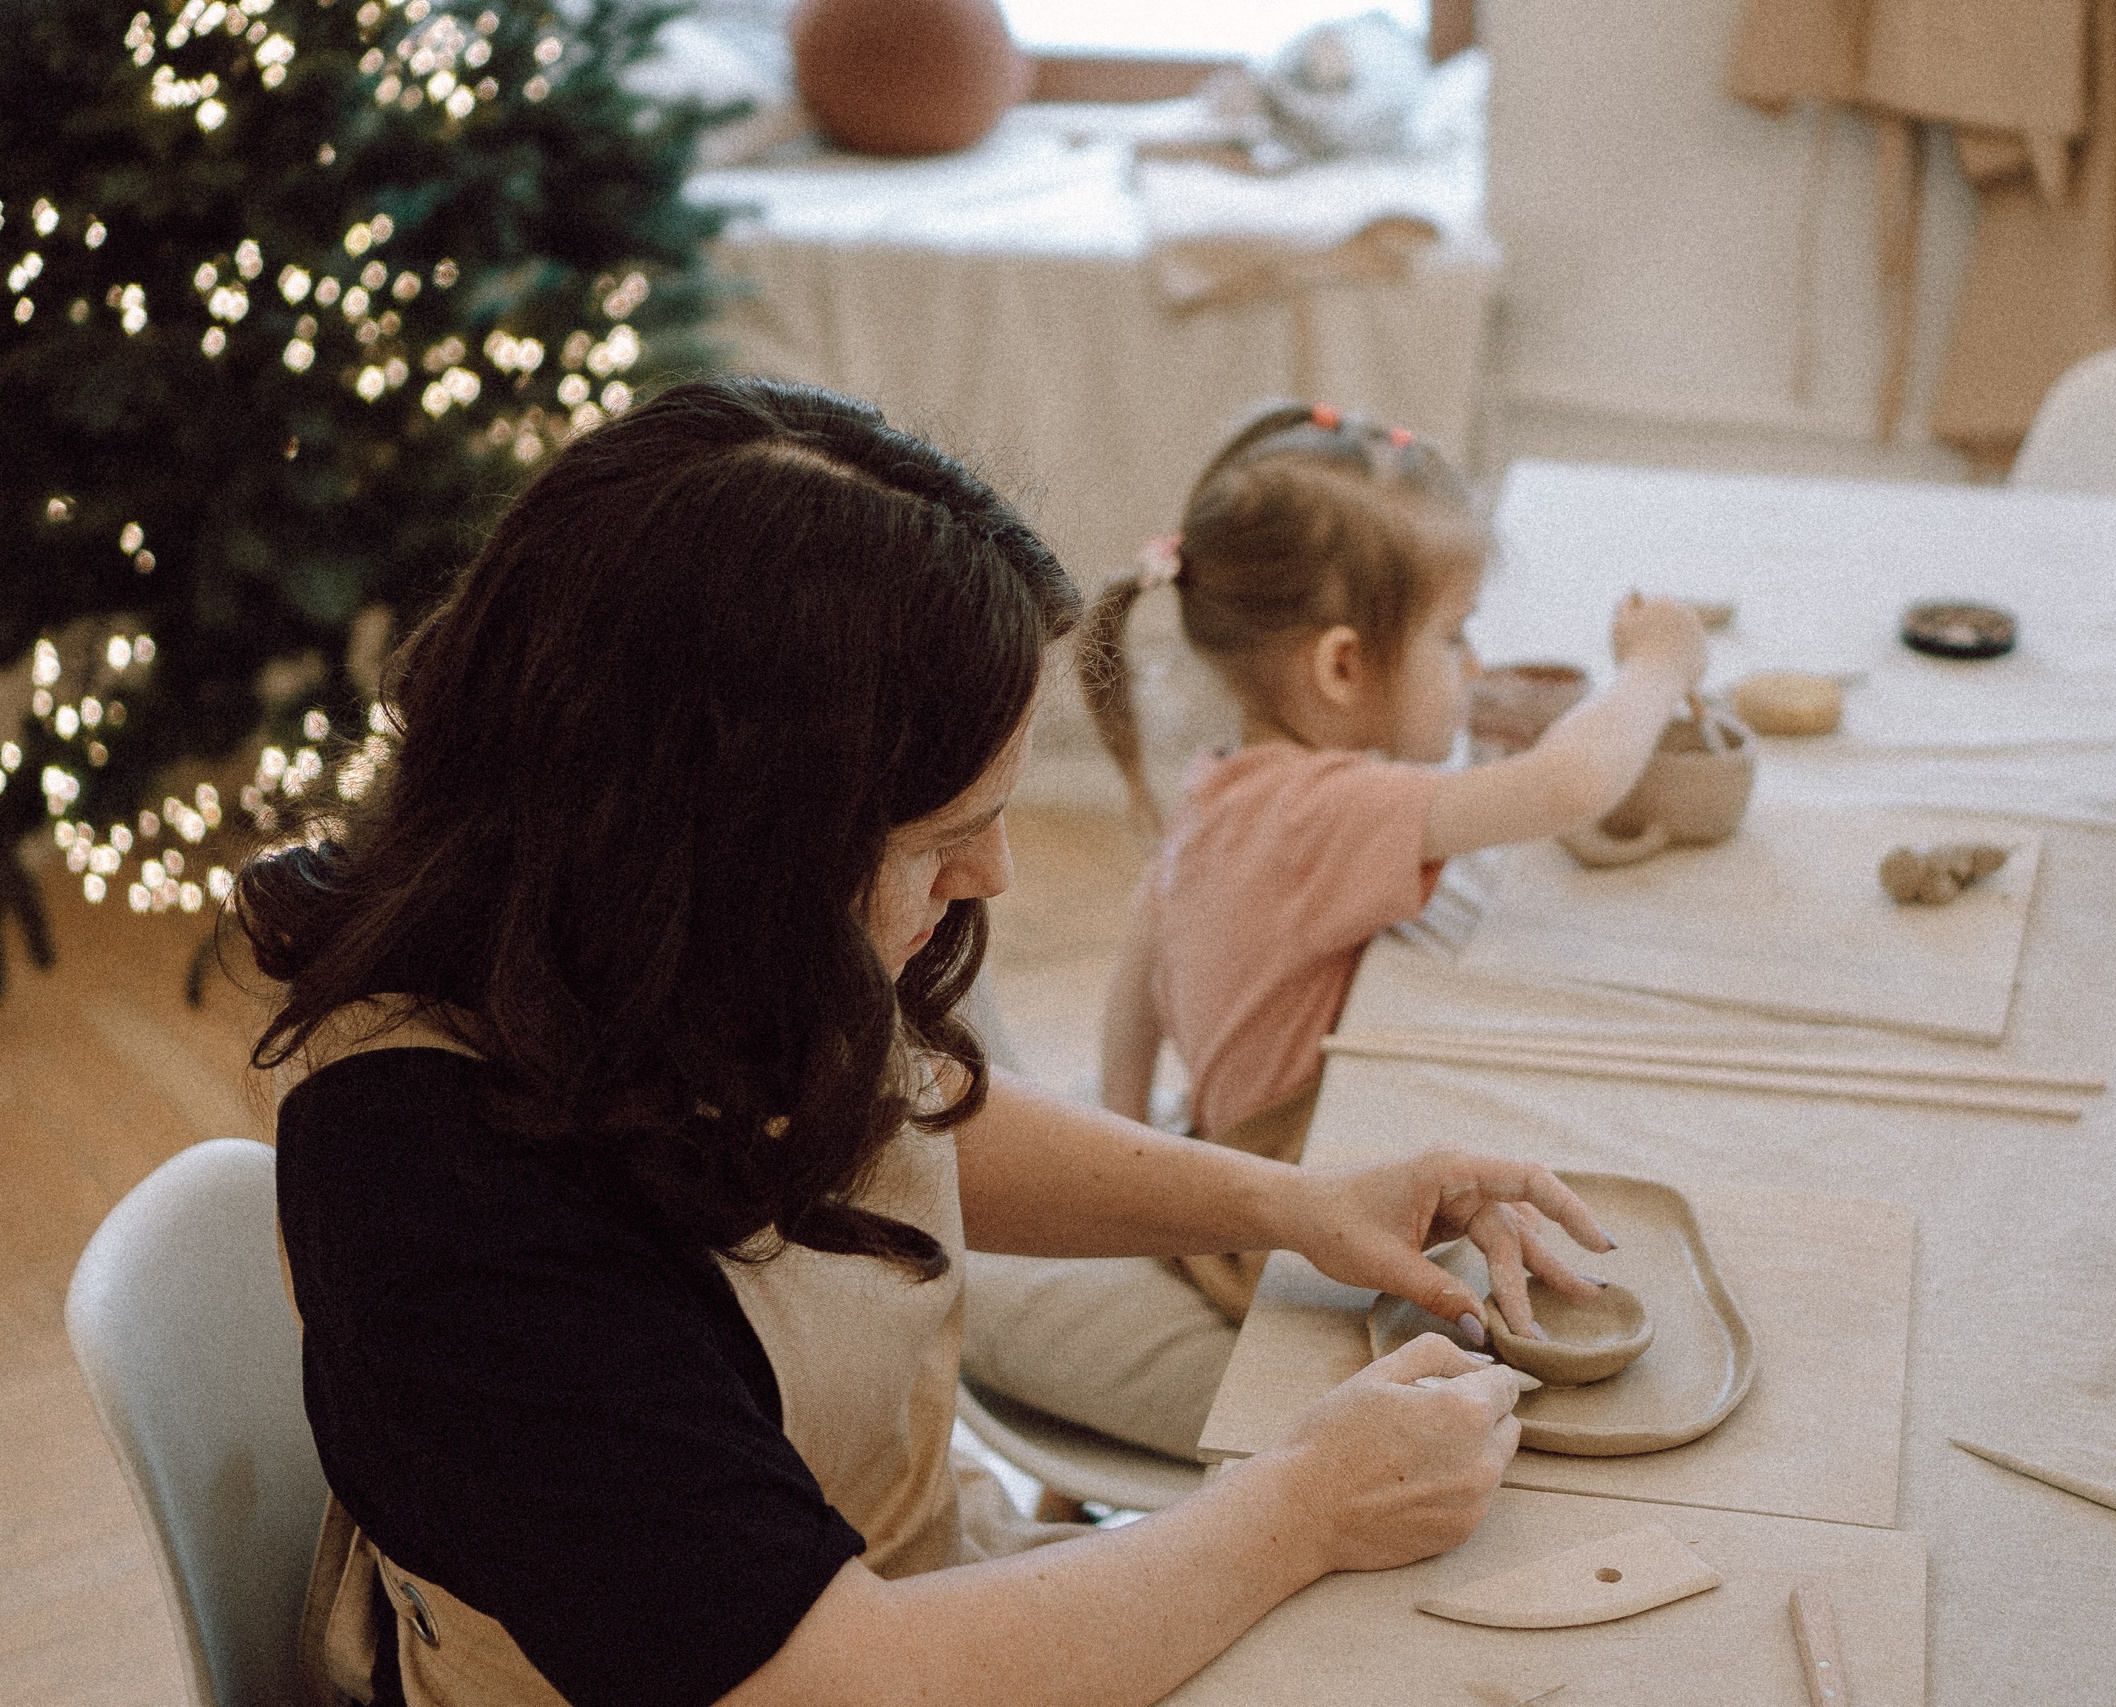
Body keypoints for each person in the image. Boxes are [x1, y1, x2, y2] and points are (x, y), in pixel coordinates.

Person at [245, 376, 1617, 1707]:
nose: (999, 874)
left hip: (906, 1605)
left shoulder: (667, 942)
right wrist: (1295, 1508)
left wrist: (1292, 1202)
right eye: (943, 834)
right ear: (714, 833)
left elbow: (902, 1112)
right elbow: (825, 1680)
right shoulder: (443, 1204)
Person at [960, 403, 1707, 1467]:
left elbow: (1139, 966)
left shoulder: (1234, 782)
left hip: (1223, 1170)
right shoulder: (1325, 813)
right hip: (1284, 1234)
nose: (1471, 659)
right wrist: (1657, 668)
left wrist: (1139, 1146)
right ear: (1344, 670)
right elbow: (1572, 784)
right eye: (1452, 637)